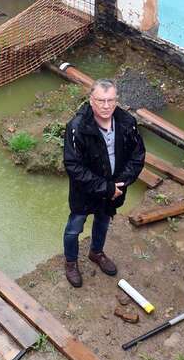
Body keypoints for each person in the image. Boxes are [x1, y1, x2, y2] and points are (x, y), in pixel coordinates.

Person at [62, 79, 146, 287]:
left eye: (110, 100)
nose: (106, 106)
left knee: (103, 222)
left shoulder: (127, 122)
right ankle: (71, 262)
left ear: (116, 101)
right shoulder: (77, 127)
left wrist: (121, 184)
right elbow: (73, 166)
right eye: (101, 100)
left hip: (115, 189)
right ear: (91, 101)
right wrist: (106, 187)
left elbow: (137, 156)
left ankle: (96, 252)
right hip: (85, 191)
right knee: (74, 228)